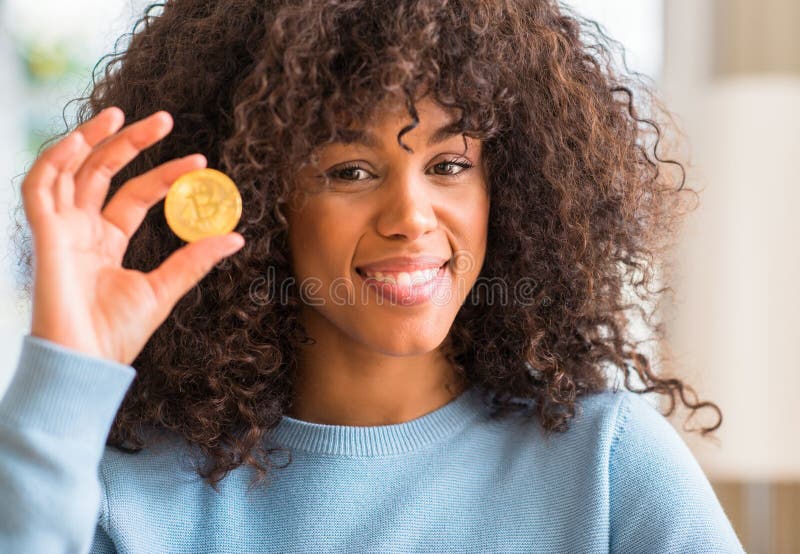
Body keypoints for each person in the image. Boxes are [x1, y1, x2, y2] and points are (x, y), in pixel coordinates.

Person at [1, 0, 745, 552]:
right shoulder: (122, 495)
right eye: (350, 171)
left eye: (448, 165)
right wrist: (67, 372)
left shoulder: (606, 467)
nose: (412, 218)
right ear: (261, 201)